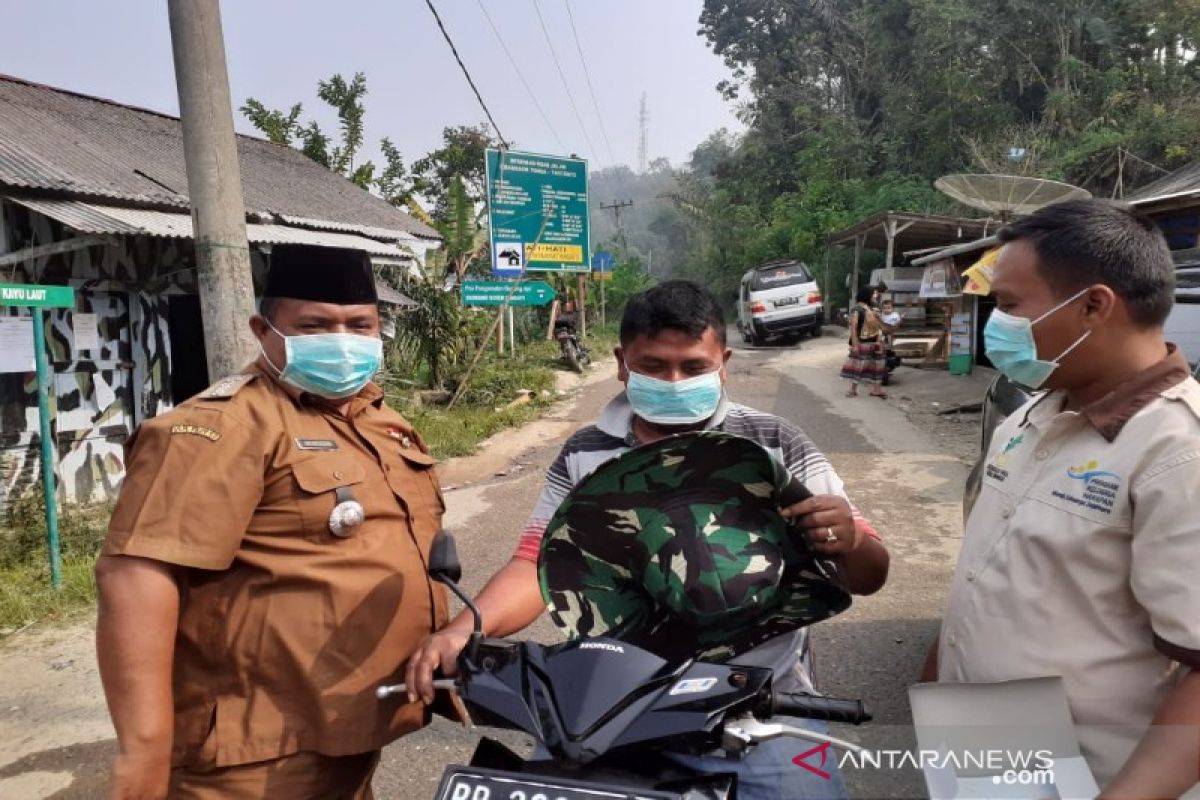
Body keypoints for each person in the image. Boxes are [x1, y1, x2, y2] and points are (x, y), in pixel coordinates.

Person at [408, 280, 890, 800]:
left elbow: (868, 574)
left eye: (694, 367)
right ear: (621, 362)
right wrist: (463, 630)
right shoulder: (584, 452)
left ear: (723, 362)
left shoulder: (773, 441)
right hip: (614, 698)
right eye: (654, 366)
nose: (675, 380)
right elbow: (538, 562)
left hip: (763, 704)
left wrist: (848, 543)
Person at [95, 245, 448, 800]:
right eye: (314, 325)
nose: (342, 340)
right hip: (256, 755)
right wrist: (144, 749)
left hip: (345, 730)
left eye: (360, 325)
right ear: (264, 330)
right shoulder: (222, 428)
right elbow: (137, 576)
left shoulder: (377, 419)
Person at [924, 200, 1200, 795]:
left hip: (1087, 777)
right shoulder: (1033, 413)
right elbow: (993, 568)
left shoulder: (1177, 451)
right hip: (985, 750)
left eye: (1007, 306)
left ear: (1094, 306)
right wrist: (937, 684)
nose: (997, 326)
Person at [841, 287, 887, 398]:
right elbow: (853, 328)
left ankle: (877, 390)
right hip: (863, 343)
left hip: (876, 342)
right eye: (873, 295)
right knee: (858, 366)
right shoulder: (857, 310)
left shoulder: (870, 309)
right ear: (867, 295)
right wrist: (855, 345)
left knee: (878, 366)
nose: (875, 297)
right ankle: (852, 390)